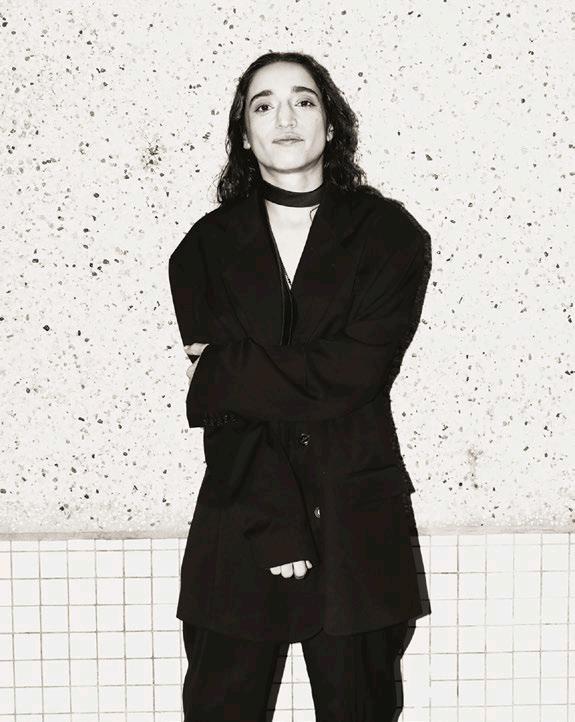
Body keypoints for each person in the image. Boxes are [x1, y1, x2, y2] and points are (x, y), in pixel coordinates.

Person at [168, 51, 432, 722]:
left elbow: (358, 372)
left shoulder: (391, 236)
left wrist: (225, 369)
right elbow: (229, 417)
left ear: (331, 124)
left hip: (356, 522)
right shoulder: (203, 248)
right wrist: (275, 523)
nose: (284, 117)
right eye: (263, 105)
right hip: (240, 516)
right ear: (243, 133)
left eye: (303, 100)